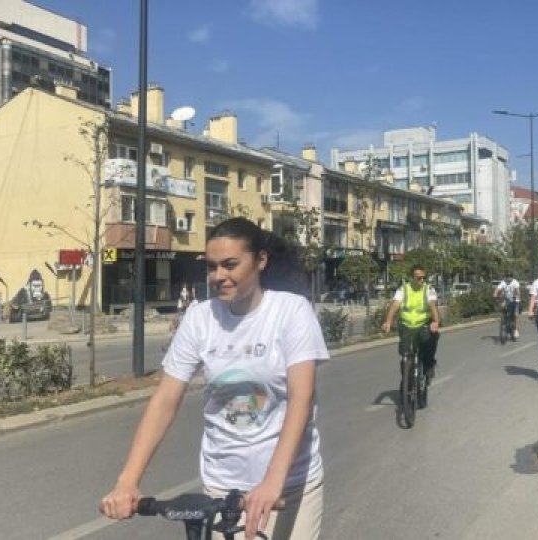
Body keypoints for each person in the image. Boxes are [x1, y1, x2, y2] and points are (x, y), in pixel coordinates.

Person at [100, 217, 327, 540]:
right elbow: (166, 399)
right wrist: (127, 481)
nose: (219, 276)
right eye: (212, 267)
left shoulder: (291, 311)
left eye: (230, 265)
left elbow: (301, 399)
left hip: (287, 486)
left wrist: (272, 481)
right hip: (223, 487)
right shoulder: (200, 318)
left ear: (260, 261)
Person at [381, 265, 441, 385]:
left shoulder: (428, 289)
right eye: (418, 278)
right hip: (406, 325)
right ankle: (405, 381)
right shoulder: (403, 290)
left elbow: (432, 306)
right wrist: (388, 322)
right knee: (405, 354)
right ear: (411, 278)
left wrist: (435, 322)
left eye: (424, 277)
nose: (422, 280)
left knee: (430, 341)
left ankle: (429, 366)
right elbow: (395, 306)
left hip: (423, 324)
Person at [494, 273, 521, 340]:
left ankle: (515, 330)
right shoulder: (503, 282)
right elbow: (498, 289)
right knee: (503, 307)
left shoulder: (515, 282)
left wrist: (517, 295)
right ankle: (504, 321)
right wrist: (495, 294)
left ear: (512, 277)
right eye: (507, 277)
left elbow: (517, 291)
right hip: (506, 299)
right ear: (505, 277)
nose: (508, 278)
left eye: (510, 277)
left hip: (515, 300)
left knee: (515, 314)